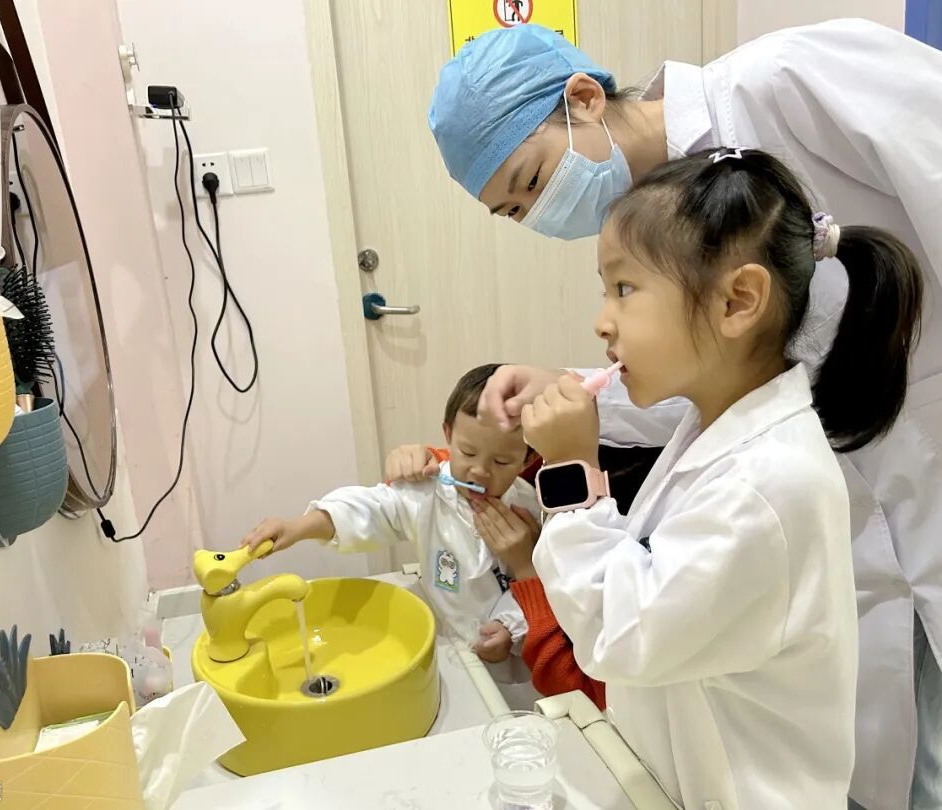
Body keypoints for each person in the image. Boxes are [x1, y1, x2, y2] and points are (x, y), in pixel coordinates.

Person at [388, 20, 942, 808]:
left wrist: (574, 477)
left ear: (584, 98)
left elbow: (621, 629)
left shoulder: (789, 81)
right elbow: (702, 380)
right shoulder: (724, 408)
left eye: (532, 179)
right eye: (515, 211)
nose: (540, 212)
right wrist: (573, 390)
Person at [538, 147, 920, 806]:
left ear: (738, 301)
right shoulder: (716, 429)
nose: (602, 321)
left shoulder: (766, 486)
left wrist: (572, 473)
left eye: (624, 289)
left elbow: (619, 633)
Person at [239, 365, 543, 667]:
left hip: (515, 662)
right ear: (448, 434)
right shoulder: (426, 492)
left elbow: (543, 581)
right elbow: (371, 508)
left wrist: (510, 625)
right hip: (446, 648)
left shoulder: (532, 505)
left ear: (528, 458)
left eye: (502, 461)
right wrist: (299, 527)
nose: (480, 471)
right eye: (468, 452)